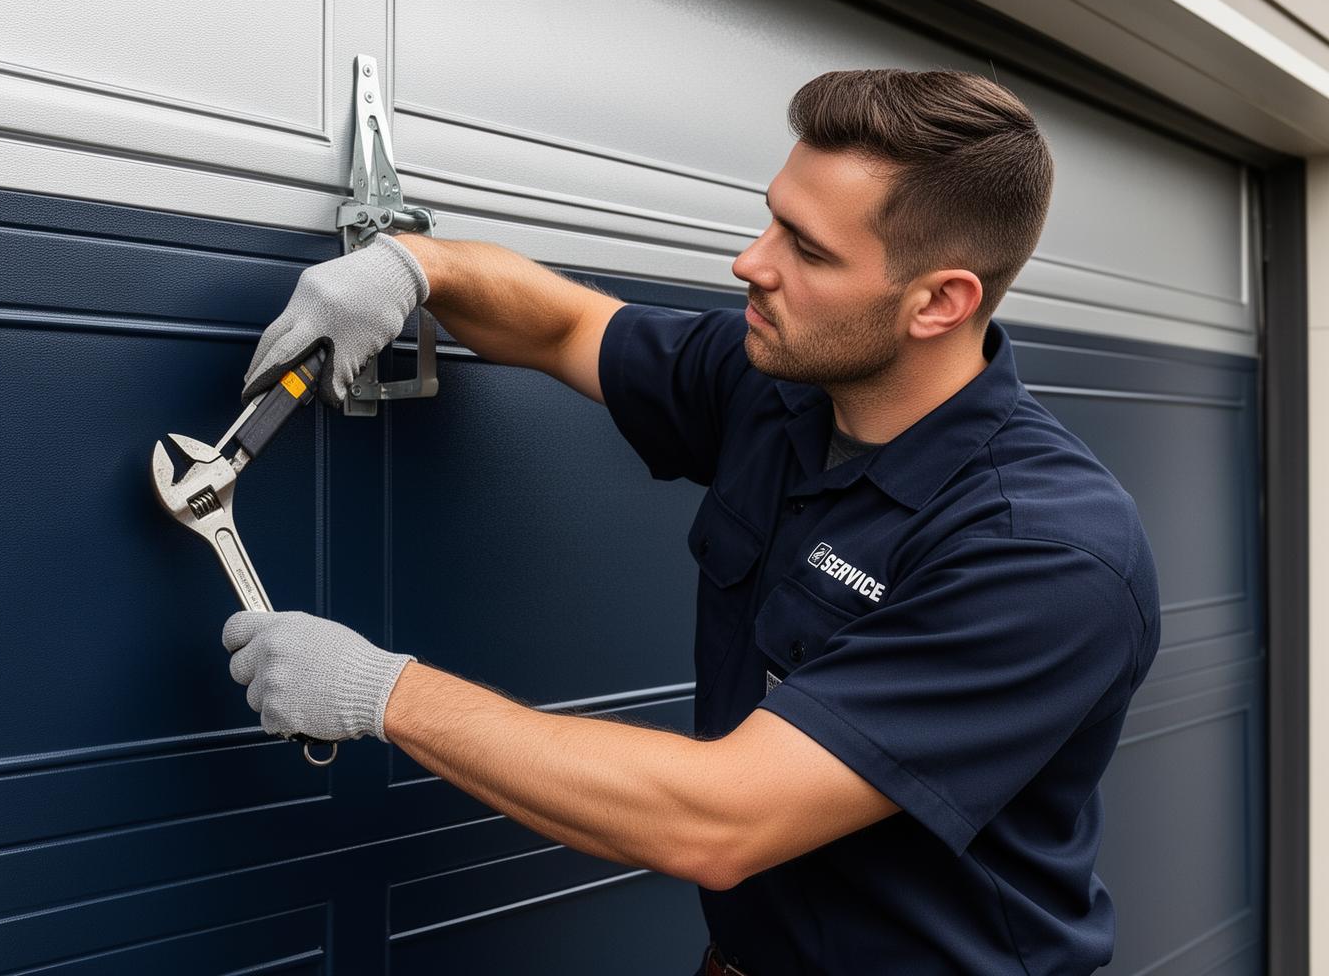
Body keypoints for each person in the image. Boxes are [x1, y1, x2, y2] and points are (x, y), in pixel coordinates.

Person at [220, 69, 1159, 975]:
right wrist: (414, 268)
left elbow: (716, 819)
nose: (751, 262)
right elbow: (565, 327)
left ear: (940, 301)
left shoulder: (1044, 553)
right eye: (772, 218)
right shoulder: (781, 385)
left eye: (808, 248)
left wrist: (382, 692)